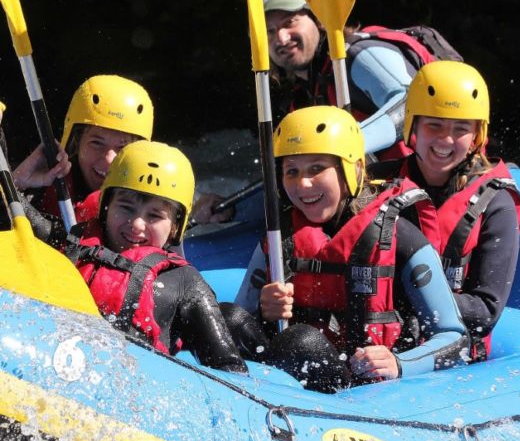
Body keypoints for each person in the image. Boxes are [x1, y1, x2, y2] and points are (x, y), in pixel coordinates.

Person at [232, 105, 469, 392]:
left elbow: (456, 340)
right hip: (287, 377)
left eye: (317, 168)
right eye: (291, 171)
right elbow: (241, 320)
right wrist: (262, 309)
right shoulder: (278, 237)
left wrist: (400, 363)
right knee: (229, 318)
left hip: (359, 390)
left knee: (300, 341)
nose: (303, 183)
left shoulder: (401, 236)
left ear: (352, 170)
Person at [26, 139, 248, 374]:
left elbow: (229, 370)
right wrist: (23, 179)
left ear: (174, 227)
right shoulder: (67, 243)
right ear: (106, 207)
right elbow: (10, 213)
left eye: (154, 216)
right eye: (125, 207)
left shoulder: (185, 283)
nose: (137, 225)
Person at [388, 60, 520, 360]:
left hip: (453, 356)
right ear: (413, 125)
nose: (445, 140)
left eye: (460, 129)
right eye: (434, 125)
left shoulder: (496, 202)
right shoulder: (378, 185)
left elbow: (486, 311)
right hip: (380, 346)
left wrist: (407, 297)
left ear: (477, 135)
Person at [262, 0, 459, 159]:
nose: (281, 38)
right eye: (269, 31)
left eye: (290, 22)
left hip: (439, 184)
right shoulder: (303, 94)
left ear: (318, 18)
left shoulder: (357, 55)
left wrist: (346, 144)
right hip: (387, 191)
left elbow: (413, 102)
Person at [13, 75, 232, 226]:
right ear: (76, 142)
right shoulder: (41, 188)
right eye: (96, 143)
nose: (109, 159)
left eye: (122, 147)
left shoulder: (156, 198)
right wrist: (17, 184)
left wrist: (194, 216)